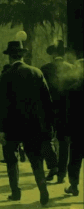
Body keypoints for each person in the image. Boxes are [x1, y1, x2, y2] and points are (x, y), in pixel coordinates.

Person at [0, 41, 54, 206]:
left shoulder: (6, 75)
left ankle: (15, 192)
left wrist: (1, 129)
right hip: (33, 125)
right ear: (22, 56)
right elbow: (47, 102)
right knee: (36, 159)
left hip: (11, 125)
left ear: (10, 57)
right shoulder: (36, 72)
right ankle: (43, 190)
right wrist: (49, 125)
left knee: (11, 159)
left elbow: (2, 104)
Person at [40, 40, 76, 183]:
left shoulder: (45, 68)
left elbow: (41, 91)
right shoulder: (72, 68)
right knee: (64, 141)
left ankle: (52, 165)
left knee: (44, 138)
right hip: (67, 110)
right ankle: (62, 173)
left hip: (48, 109)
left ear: (53, 54)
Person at [0, 64, 26, 164]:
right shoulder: (21, 77)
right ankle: (21, 147)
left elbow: (1, 100)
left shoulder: (4, 78)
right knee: (20, 135)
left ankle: (10, 157)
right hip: (21, 112)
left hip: (8, 115)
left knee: (8, 141)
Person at [64, 58, 84, 196]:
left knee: (75, 159)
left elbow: (69, 114)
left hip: (78, 131)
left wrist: (67, 132)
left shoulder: (73, 89)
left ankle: (74, 185)